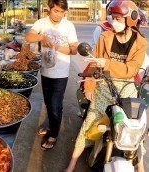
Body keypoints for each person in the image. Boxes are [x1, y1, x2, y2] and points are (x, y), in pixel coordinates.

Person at [65, 1, 147, 172]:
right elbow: (95, 64)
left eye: (118, 18)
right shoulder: (105, 37)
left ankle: (140, 168)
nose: (113, 21)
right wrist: (89, 86)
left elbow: (130, 69)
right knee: (90, 123)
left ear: (130, 19)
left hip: (127, 87)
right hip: (104, 86)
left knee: (134, 130)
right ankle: (71, 165)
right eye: (113, 17)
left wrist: (107, 63)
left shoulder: (141, 43)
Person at [25, 0, 78, 150]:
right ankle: (50, 125)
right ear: (49, 9)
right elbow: (29, 37)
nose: (59, 15)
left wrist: (57, 46)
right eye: (56, 11)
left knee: (56, 104)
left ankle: (54, 134)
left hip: (61, 73)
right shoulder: (41, 23)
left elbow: (74, 50)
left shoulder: (68, 26)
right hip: (46, 70)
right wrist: (42, 37)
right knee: (48, 102)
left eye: (62, 12)